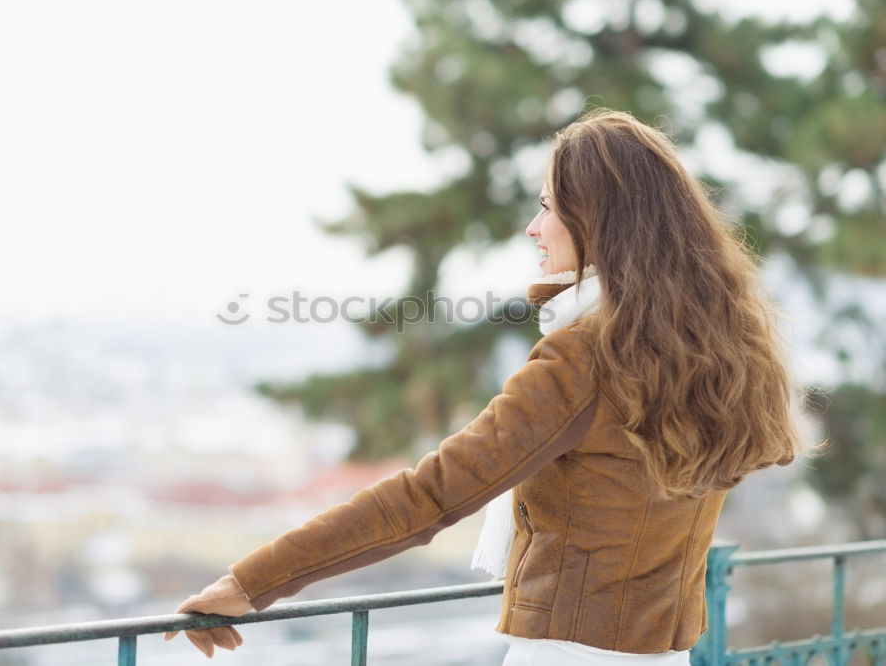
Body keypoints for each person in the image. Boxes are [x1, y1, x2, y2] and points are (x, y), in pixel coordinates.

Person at [163, 107, 824, 663]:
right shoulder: (713, 352)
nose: (534, 229)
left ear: (601, 223)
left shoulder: (585, 357)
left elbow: (430, 495)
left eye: (548, 209)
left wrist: (251, 582)